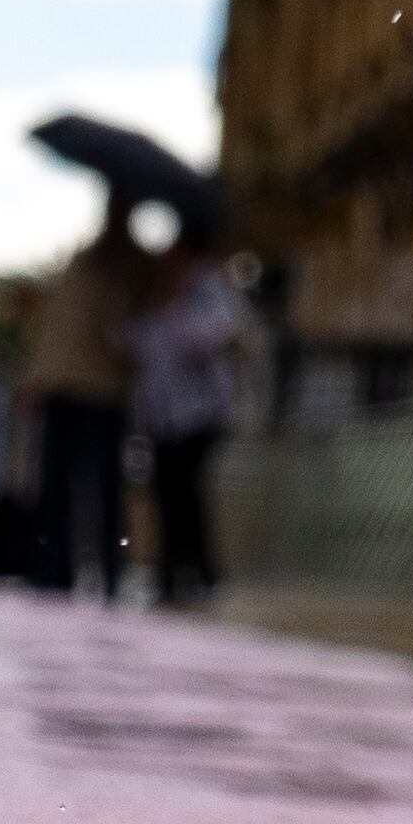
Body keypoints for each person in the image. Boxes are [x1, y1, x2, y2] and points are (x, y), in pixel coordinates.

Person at [17, 195, 164, 598]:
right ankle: (50, 570)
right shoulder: (82, 258)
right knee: (53, 483)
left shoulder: (136, 264)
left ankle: (110, 573)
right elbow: (54, 327)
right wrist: (37, 378)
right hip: (60, 386)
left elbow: (135, 325)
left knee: (104, 486)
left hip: (103, 391)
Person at [129, 245, 252, 606]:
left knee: (187, 492)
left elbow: (215, 337)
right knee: (166, 494)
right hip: (161, 418)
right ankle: (168, 575)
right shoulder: (152, 298)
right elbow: (136, 345)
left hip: (201, 415)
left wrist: (176, 309)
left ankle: (201, 573)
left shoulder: (206, 290)